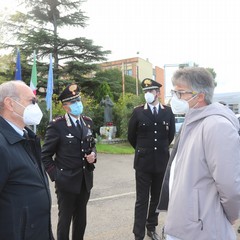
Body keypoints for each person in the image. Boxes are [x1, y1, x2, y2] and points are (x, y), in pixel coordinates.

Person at [157, 67, 240, 240]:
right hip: (186, 224)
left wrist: (232, 215)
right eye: (174, 92)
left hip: (203, 227)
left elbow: (229, 184)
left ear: (200, 96)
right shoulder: (192, 121)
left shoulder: (217, 126)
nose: (175, 98)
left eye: (180, 93)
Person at [41, 83, 97, 240]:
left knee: (81, 220)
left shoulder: (87, 122)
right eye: (73, 102)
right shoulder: (57, 125)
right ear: (65, 107)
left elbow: (92, 145)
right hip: (66, 182)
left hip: (85, 181)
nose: (78, 104)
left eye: (78, 100)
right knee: (65, 221)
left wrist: (93, 155)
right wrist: (56, 176)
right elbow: (45, 155)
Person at [0, 80, 53, 240]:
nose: (35, 107)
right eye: (32, 101)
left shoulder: (27, 137)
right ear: (10, 103)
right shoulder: (2, 144)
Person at [128, 78, 175, 240]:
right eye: (146, 91)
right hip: (143, 162)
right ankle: (138, 234)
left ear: (158, 92)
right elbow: (131, 137)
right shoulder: (138, 112)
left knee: (156, 198)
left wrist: (158, 151)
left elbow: (170, 136)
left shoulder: (167, 112)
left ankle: (151, 227)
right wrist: (144, 150)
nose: (148, 94)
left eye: (151, 91)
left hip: (161, 162)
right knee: (141, 200)